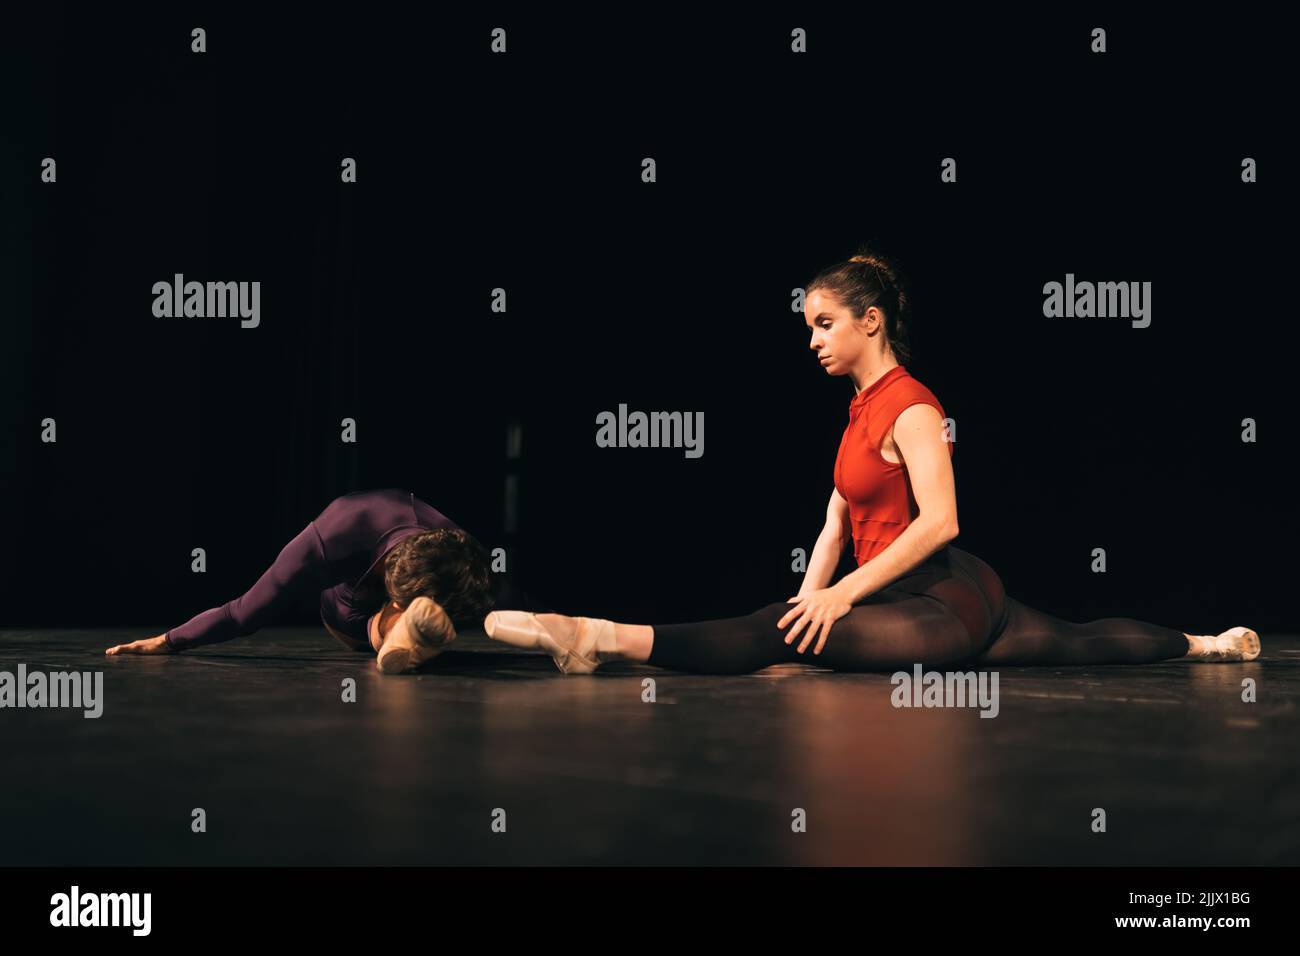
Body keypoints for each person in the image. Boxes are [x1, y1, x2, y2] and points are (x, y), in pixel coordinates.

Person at [483, 250, 1261, 674]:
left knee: (778, 636)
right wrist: (808, 600)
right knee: (1076, 642)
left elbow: (943, 520)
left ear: (871, 321)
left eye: (824, 323)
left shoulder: (915, 405)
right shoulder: (857, 409)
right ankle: (1211, 645)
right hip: (905, 597)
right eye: (808, 326)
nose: (812, 339)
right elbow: (833, 521)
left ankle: (595, 636)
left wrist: (827, 606)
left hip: (945, 596)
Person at [104, 488, 521, 674]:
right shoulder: (332, 537)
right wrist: (168, 640)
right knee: (401, 627)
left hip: (424, 588)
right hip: (347, 610)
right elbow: (243, 612)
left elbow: (495, 592)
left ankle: (420, 632)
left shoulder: (460, 549)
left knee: (483, 607)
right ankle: (396, 634)